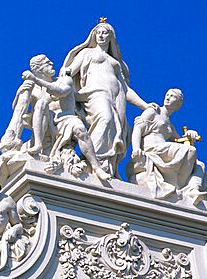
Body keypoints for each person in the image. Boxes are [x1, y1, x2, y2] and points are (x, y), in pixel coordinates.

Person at [60, 19, 154, 178]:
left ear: (111, 37)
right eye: (98, 33)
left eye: (105, 33)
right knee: (105, 119)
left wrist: (145, 105)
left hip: (117, 97)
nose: (101, 36)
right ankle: (92, 162)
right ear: (94, 35)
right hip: (96, 92)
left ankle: (107, 166)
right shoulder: (87, 53)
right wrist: (64, 76)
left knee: (116, 131)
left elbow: (126, 90)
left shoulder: (116, 63)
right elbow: (70, 71)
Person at [27, 59, 110, 184]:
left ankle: (96, 167)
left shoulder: (64, 80)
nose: (51, 63)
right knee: (41, 103)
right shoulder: (35, 90)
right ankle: (38, 144)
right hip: (50, 122)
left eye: (50, 62)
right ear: (39, 69)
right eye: (47, 63)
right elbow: (19, 107)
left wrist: (35, 80)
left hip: (67, 118)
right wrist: (24, 91)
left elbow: (60, 92)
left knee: (80, 129)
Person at [127, 88, 207, 205]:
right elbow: (138, 128)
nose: (167, 98)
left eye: (172, 96)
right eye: (167, 95)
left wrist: (190, 134)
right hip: (152, 149)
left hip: (163, 149)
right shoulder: (154, 111)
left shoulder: (169, 123)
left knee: (199, 165)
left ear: (178, 104)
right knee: (190, 150)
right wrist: (136, 149)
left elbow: (178, 140)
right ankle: (177, 185)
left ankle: (192, 190)